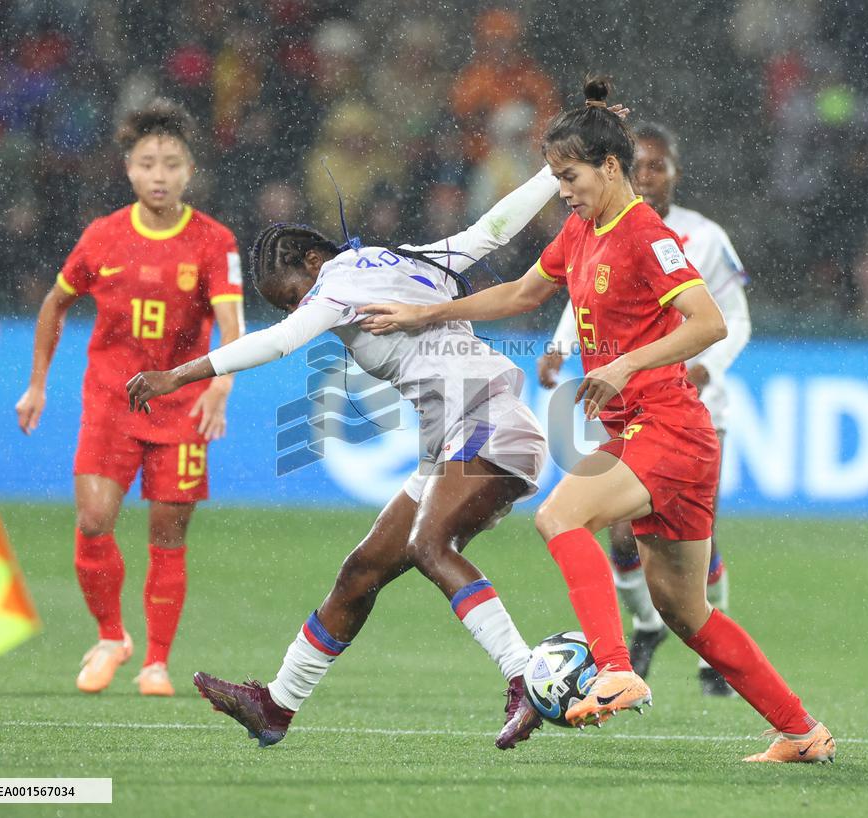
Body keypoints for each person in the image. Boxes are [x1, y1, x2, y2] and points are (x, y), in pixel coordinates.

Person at [359, 77, 835, 764]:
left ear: (611, 167)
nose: (562, 190)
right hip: (655, 434)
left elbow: (706, 323)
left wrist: (620, 366)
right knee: (687, 613)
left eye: (570, 175)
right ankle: (801, 732)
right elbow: (524, 290)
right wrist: (424, 313)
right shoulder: (583, 230)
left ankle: (614, 668)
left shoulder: (646, 233)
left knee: (559, 516)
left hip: (668, 426)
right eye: (556, 177)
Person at [125, 162, 567, 750]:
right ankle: (276, 706)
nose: (297, 310)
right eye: (288, 306)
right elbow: (491, 229)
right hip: (453, 439)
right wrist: (550, 172)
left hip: (488, 421)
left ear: (312, 262)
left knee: (431, 546)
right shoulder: (406, 256)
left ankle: (525, 679)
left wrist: (178, 374)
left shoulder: (333, 286)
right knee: (361, 572)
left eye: (293, 296)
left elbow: (279, 342)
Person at [15, 99, 245, 697]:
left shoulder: (214, 241)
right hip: (111, 404)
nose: (160, 175)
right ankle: (113, 636)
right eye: (148, 163)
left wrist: (221, 382)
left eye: (171, 163)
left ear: (190, 170)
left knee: (167, 535)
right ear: (129, 170)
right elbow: (54, 305)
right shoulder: (103, 236)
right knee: (94, 521)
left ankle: (156, 662)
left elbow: (232, 321)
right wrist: (37, 383)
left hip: (181, 406)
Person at [537, 122, 751, 695]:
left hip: (692, 403)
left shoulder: (700, 236)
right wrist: (561, 346)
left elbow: (728, 317)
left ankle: (704, 661)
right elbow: (588, 297)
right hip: (627, 404)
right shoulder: (595, 224)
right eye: (645, 165)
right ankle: (646, 626)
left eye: (660, 166)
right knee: (625, 538)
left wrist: (710, 365)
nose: (651, 175)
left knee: (694, 542)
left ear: (674, 171)